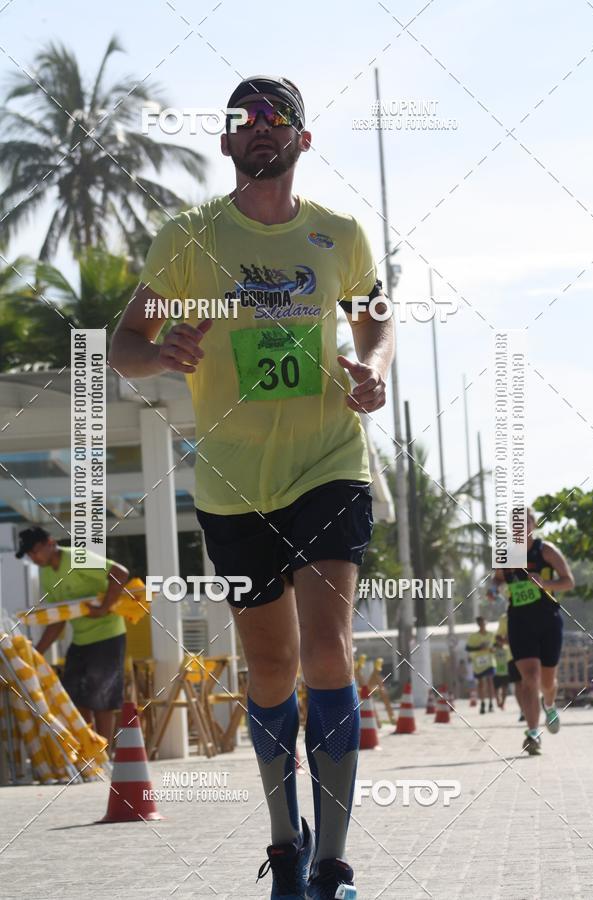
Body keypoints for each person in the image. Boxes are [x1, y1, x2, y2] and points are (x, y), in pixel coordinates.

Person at [109, 75, 393, 900]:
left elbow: (374, 314)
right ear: (227, 143)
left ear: (302, 142)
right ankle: (287, 849)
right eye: (242, 121)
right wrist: (160, 355)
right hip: (234, 481)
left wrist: (370, 370)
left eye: (276, 120)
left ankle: (336, 865)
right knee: (268, 669)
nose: (259, 129)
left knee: (327, 650)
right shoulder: (189, 239)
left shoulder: (337, 235)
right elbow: (126, 341)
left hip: (328, 462)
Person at [15, 526, 130, 748]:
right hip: (80, 639)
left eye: (34, 551)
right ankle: (89, 746)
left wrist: (105, 607)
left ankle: (105, 752)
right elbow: (58, 619)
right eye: (29, 555)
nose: (33, 557)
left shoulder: (78, 557)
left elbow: (120, 573)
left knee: (101, 696)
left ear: (50, 543)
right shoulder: (46, 573)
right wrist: (35, 653)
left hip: (108, 635)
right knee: (72, 694)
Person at [491, 507, 575, 755]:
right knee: (530, 679)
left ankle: (549, 704)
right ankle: (532, 734)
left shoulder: (545, 550)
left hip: (548, 619)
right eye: (514, 522)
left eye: (524, 521)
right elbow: (497, 579)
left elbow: (569, 581)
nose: (519, 526)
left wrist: (546, 583)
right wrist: (493, 589)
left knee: (547, 683)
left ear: (533, 524)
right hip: (519, 620)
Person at [496, 608, 525, 721]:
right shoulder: (504, 618)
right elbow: (498, 637)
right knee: (518, 684)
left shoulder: (529, 611)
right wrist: (506, 641)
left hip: (530, 653)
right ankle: (523, 710)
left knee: (530, 682)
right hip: (512, 656)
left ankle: (531, 707)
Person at [465, 616, 496, 714]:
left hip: (489, 661)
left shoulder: (491, 635)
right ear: (478, 624)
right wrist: (479, 648)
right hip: (478, 663)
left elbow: (496, 645)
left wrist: (493, 649)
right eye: (480, 623)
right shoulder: (473, 636)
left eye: (483, 623)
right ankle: (482, 703)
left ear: (485, 623)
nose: (482, 625)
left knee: (490, 681)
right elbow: (468, 648)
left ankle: (491, 703)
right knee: (481, 683)